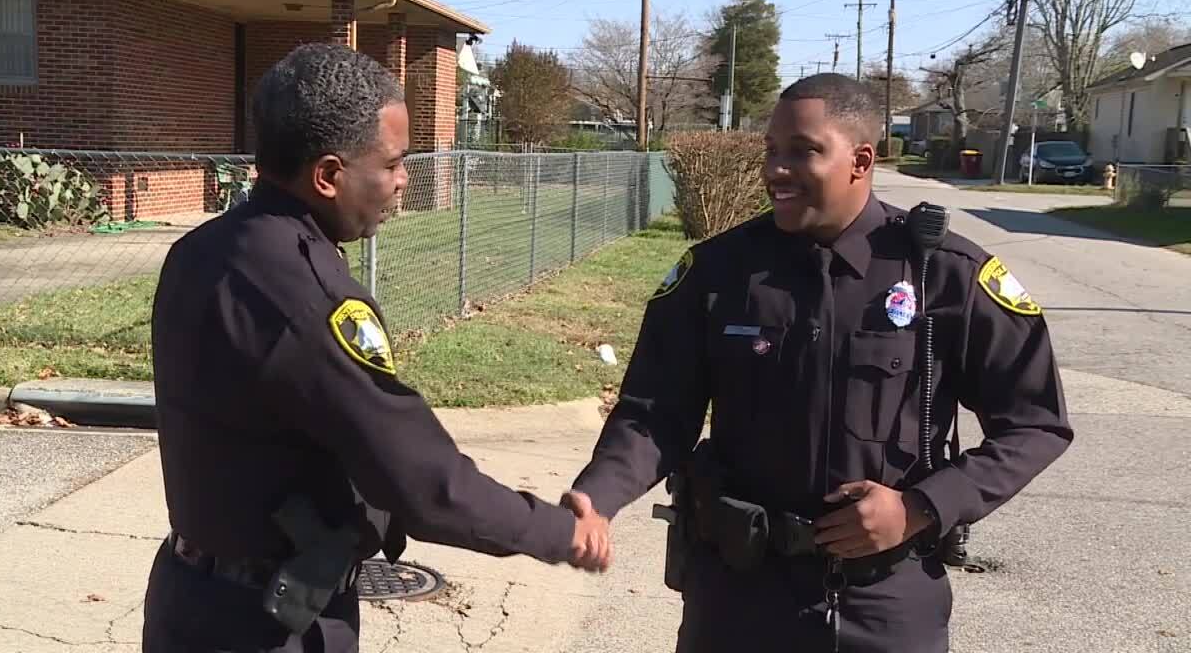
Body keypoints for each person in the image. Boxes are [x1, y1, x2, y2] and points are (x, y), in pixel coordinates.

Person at [567, 73, 1073, 652]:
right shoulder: (718, 272)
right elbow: (654, 413)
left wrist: (921, 508)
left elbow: (1036, 424)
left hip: (884, 603)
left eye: (803, 151)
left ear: (861, 161)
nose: (776, 170)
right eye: (771, 151)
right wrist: (597, 497)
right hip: (738, 597)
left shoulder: (943, 275)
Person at [141, 43, 611, 653]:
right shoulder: (313, 300)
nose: (402, 181)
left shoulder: (200, 251)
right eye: (392, 163)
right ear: (328, 176)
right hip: (268, 626)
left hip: (186, 599)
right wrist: (561, 532)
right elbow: (424, 483)